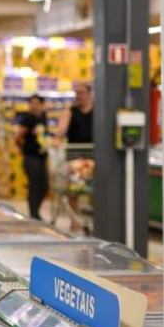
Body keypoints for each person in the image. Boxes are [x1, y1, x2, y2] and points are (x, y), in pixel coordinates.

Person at [54, 83, 93, 229]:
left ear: (90, 94)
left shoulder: (98, 112)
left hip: (94, 158)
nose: (79, 97)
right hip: (74, 158)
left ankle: (96, 221)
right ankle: (75, 223)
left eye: (82, 93)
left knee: (94, 192)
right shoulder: (70, 112)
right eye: (77, 94)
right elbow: (60, 131)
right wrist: (57, 140)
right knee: (74, 192)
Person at [15, 94, 49, 220]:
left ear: (42, 104)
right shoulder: (28, 119)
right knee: (34, 185)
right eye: (32, 103)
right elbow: (18, 137)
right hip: (31, 157)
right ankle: (33, 214)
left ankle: (36, 212)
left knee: (44, 185)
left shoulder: (43, 118)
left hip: (42, 157)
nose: (34, 106)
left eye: (36, 103)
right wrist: (23, 149)